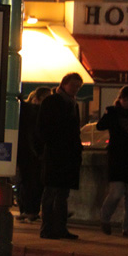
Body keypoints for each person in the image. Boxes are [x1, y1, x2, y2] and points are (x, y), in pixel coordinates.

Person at [36, 72, 84, 240]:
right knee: (52, 191)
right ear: (64, 84)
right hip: (56, 153)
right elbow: (43, 129)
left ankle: (59, 228)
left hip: (66, 155)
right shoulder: (53, 102)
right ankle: (48, 228)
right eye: (74, 85)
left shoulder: (72, 104)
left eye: (78, 87)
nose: (76, 89)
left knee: (62, 193)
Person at [95, 85, 128, 238]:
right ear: (120, 98)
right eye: (124, 99)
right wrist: (108, 114)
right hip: (118, 156)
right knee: (117, 192)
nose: (127, 103)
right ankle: (105, 217)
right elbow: (100, 126)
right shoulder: (112, 112)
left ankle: (127, 227)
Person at [17, 86, 52, 222]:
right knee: (30, 182)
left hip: (31, 152)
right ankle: (29, 210)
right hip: (30, 153)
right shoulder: (32, 111)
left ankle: (29, 210)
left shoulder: (33, 112)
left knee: (32, 182)